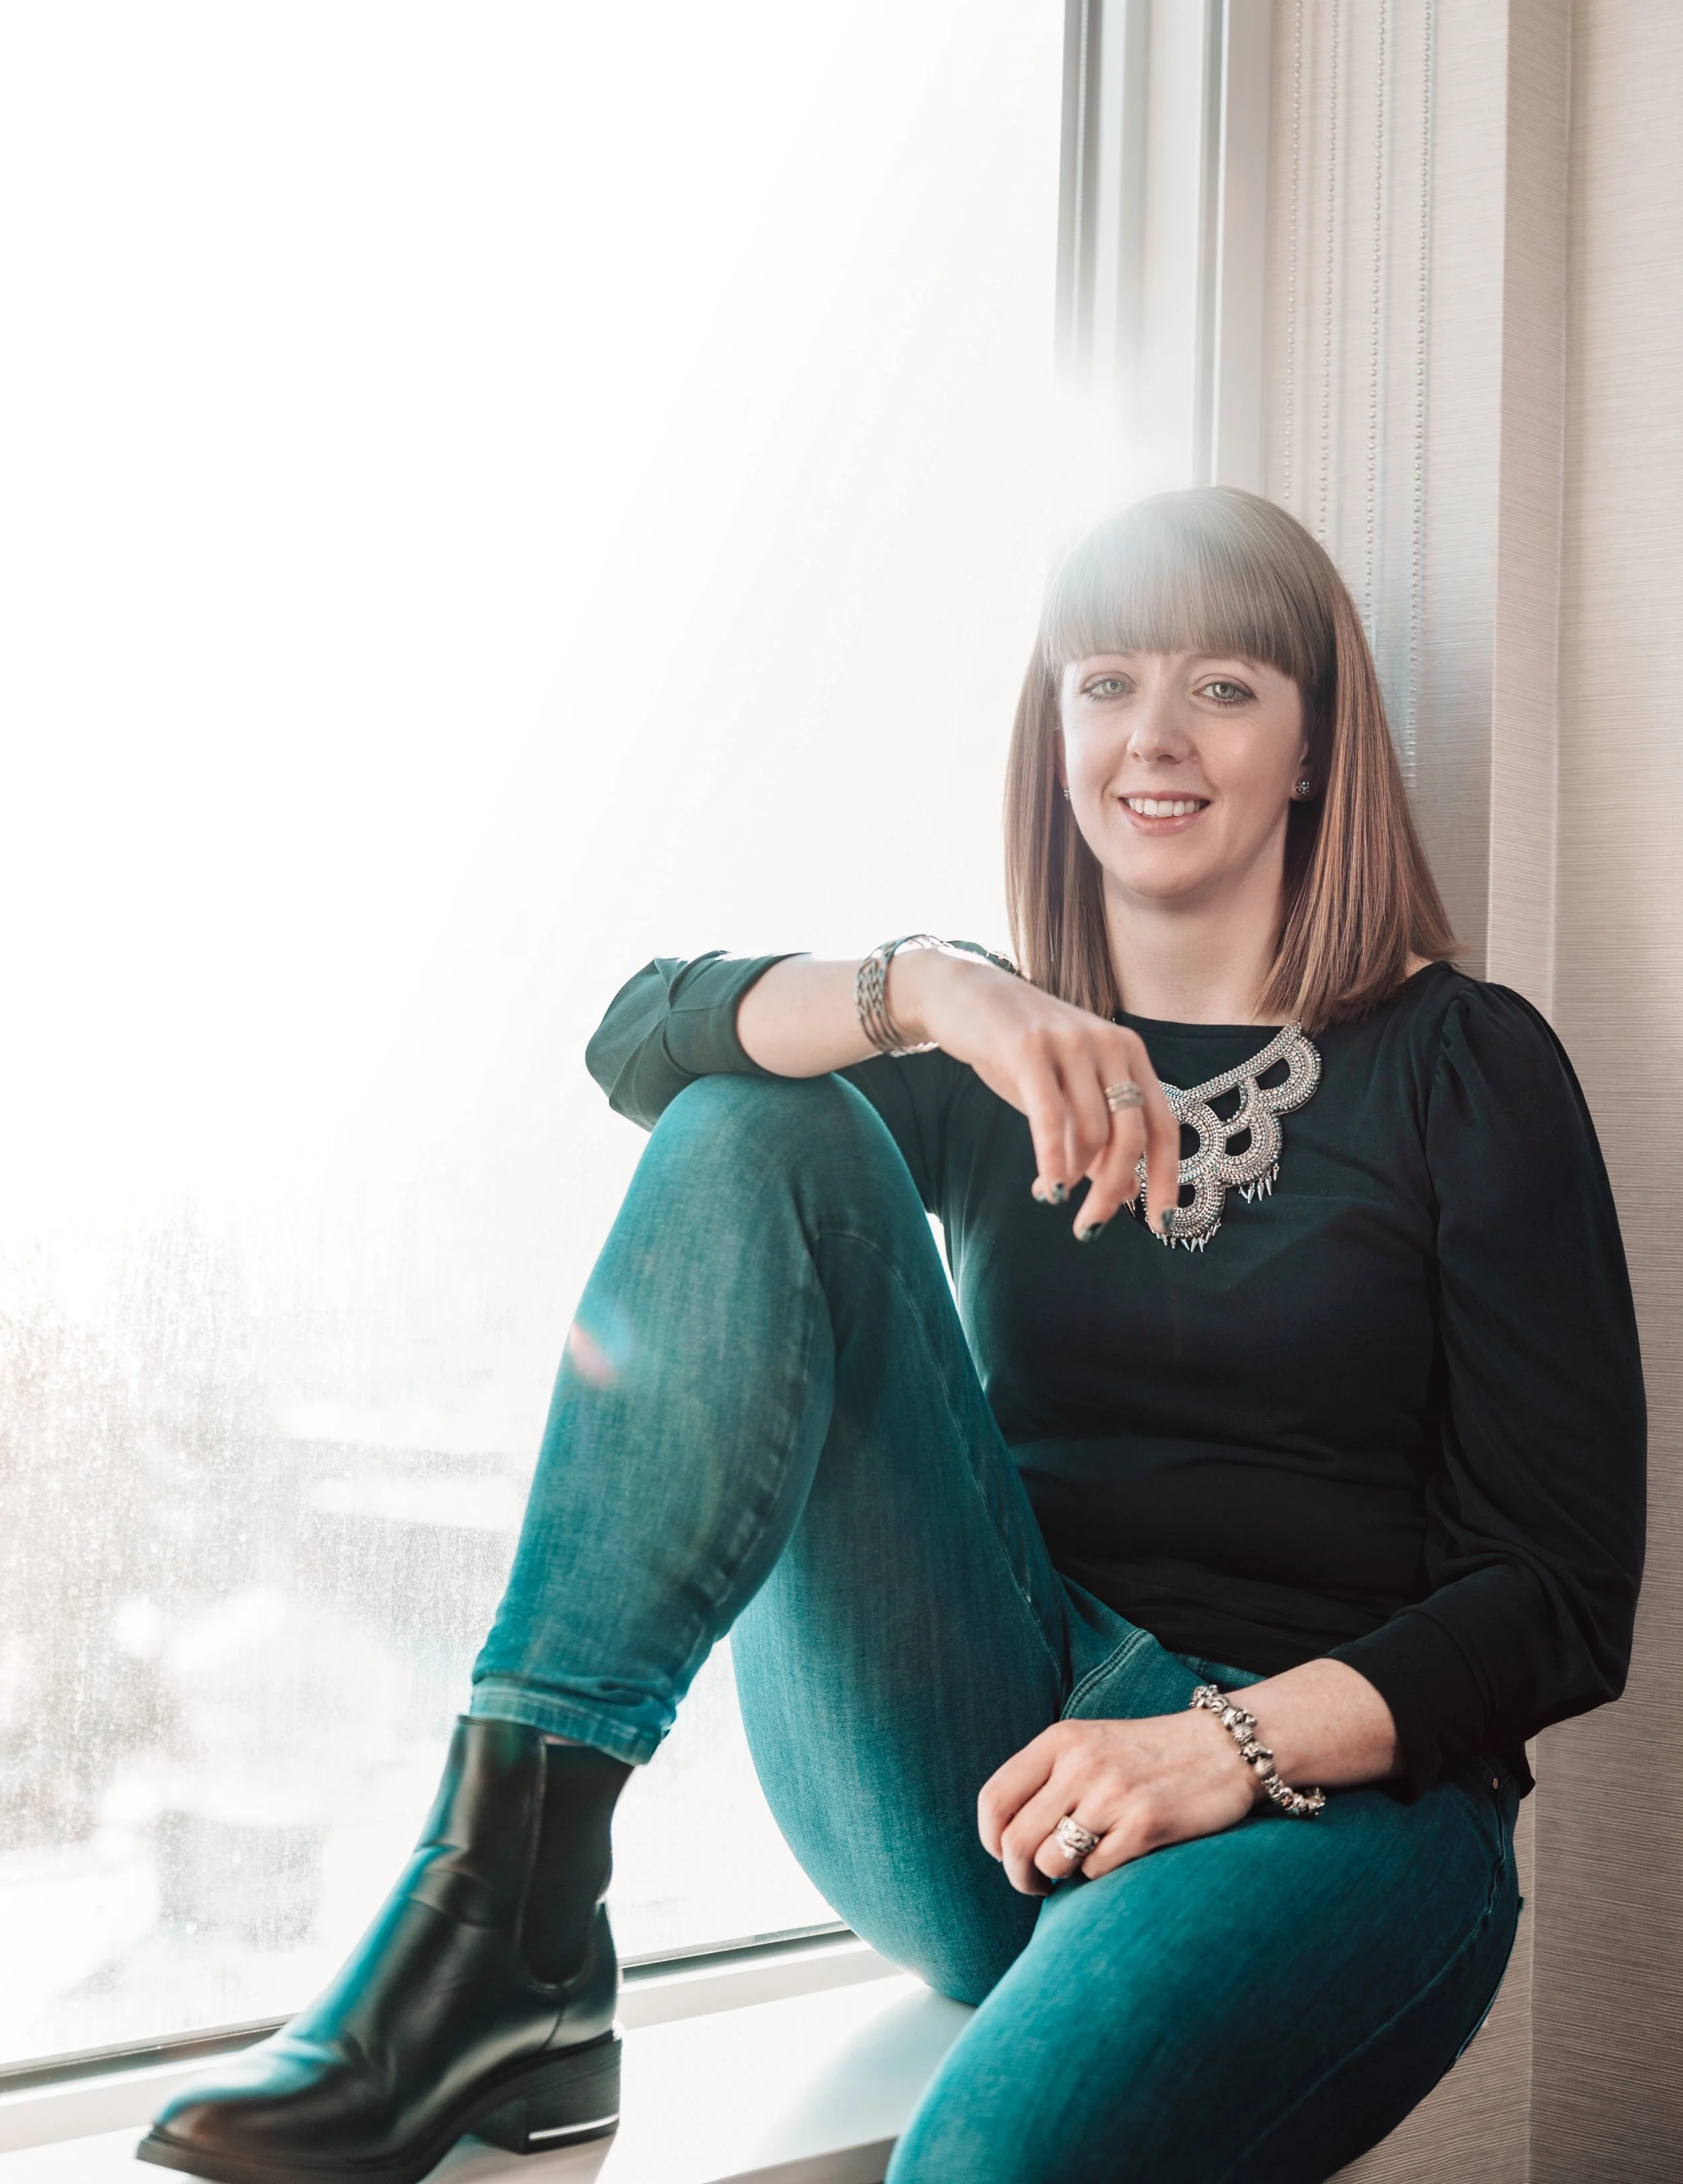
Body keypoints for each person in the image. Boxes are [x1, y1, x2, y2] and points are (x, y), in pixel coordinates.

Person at [138, 488, 1645, 2184]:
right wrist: (928, 987)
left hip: (1322, 1806)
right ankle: (507, 1910)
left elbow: (1558, 1596)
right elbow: (635, 1043)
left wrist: (1218, 1745)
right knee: (753, 1118)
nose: (1151, 735)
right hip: (979, 1780)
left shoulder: (1463, 1066)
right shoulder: (987, 1051)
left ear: (1310, 749)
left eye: (1221, 687)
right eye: (1105, 683)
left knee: (979, 2164)